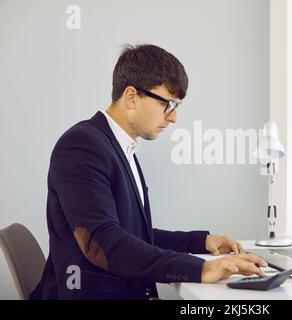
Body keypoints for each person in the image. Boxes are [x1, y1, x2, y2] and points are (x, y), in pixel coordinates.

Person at [30, 44, 267, 300]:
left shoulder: (120, 147)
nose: (174, 117)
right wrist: (201, 268)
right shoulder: (82, 146)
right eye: (168, 104)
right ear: (132, 97)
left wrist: (200, 243)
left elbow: (133, 235)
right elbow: (103, 243)